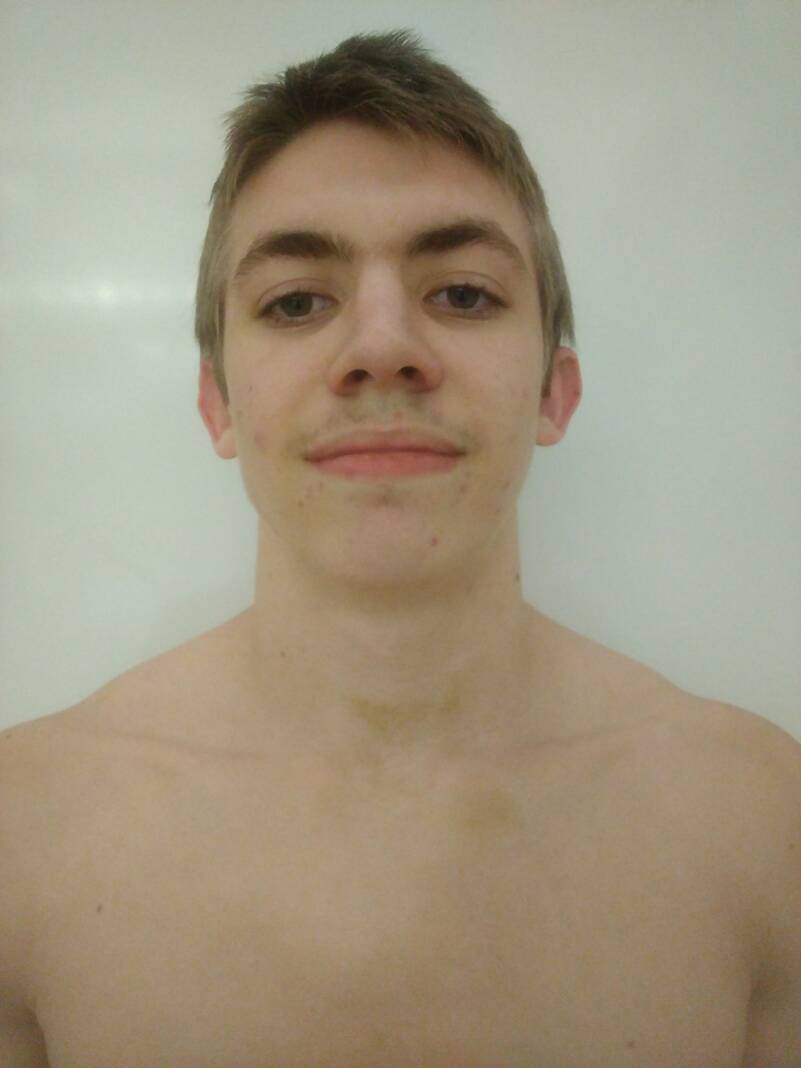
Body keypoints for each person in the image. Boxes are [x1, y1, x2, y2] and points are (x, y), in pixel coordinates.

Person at [1, 28, 798, 1067]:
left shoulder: (761, 824)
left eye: (462, 292)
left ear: (553, 392)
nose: (381, 348)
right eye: (297, 301)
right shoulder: (24, 835)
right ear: (218, 403)